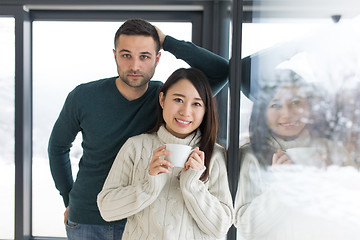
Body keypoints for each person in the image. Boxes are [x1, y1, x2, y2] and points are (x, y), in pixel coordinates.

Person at [48, 18, 229, 240]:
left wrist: (167, 41)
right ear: (115, 55)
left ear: (157, 58)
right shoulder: (83, 96)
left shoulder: (170, 100)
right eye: (126, 55)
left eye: (144, 56)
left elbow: (221, 71)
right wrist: (69, 198)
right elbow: (57, 147)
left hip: (144, 220)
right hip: (88, 218)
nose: (135, 66)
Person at [97, 67, 233, 239]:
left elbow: (221, 227)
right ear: (162, 99)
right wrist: (149, 186)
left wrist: (191, 184)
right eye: (178, 99)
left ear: (205, 110)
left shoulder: (214, 154)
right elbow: (107, 209)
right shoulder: (135, 147)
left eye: (196, 104)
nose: (185, 112)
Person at [234, 69, 356, 239]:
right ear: (262, 111)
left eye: (296, 102)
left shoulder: (333, 150)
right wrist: (281, 185)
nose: (287, 113)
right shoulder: (251, 156)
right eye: (275, 104)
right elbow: (247, 228)